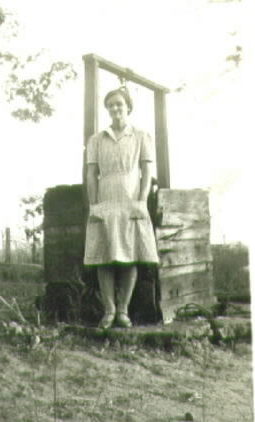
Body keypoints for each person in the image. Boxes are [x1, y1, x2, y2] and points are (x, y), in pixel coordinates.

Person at [84, 87, 159, 329]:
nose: (115, 109)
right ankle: (109, 310)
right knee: (105, 256)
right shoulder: (96, 139)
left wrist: (141, 200)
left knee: (131, 255)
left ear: (128, 107)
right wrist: (94, 205)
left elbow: (147, 172)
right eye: (111, 105)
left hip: (131, 201)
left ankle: (124, 310)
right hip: (105, 200)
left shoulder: (141, 136)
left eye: (119, 104)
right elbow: (91, 174)